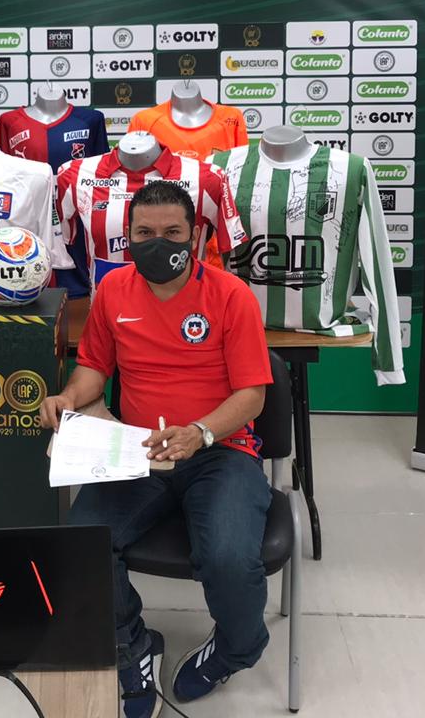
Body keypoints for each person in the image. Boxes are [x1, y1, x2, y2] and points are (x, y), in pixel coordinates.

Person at [40, 179, 275, 718]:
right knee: (81, 546)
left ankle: (235, 650)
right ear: (128, 236)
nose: (157, 242)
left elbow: (252, 395)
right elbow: (94, 367)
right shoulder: (113, 290)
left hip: (219, 451)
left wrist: (199, 432)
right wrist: (69, 398)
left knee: (229, 559)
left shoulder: (230, 295)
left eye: (172, 231)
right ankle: (132, 646)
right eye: (144, 232)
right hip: (138, 451)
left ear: (194, 236)